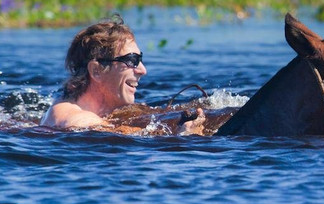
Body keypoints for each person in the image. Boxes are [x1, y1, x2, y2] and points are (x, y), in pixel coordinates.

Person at [42, 17, 204, 134]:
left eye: (139, 59)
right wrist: (185, 136)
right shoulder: (80, 121)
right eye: (131, 60)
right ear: (96, 71)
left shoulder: (70, 108)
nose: (143, 70)